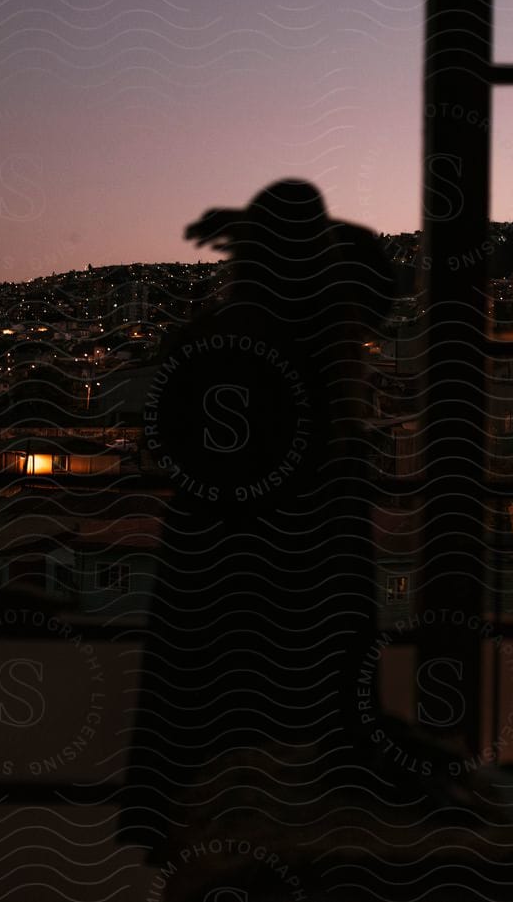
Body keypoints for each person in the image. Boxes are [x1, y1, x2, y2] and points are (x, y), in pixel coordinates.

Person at [119, 180, 395, 858]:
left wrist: (249, 227)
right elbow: (381, 269)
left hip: (209, 615)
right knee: (297, 830)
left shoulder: (209, 344)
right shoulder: (333, 361)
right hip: (306, 622)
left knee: (208, 822)